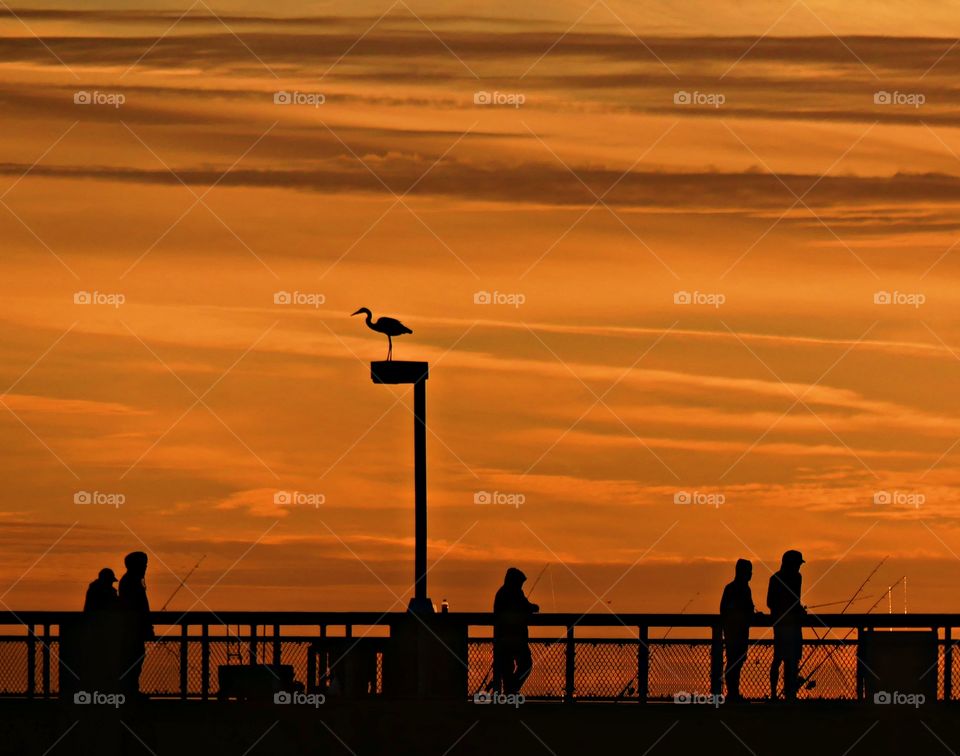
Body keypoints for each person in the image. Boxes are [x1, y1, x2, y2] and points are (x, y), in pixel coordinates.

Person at [493, 567, 539, 695]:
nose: (521, 585)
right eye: (520, 582)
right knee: (526, 664)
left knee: (506, 668)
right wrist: (534, 607)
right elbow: (527, 607)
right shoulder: (515, 593)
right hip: (515, 637)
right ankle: (512, 688)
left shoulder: (502, 593)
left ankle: (509, 690)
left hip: (501, 637)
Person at [767, 549, 806, 701]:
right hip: (789, 625)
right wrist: (798, 611)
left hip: (783, 625)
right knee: (789, 659)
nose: (799, 567)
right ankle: (788, 694)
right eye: (797, 564)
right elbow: (795, 601)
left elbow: (770, 602)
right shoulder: (796, 577)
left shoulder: (775, 578)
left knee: (782, 659)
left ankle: (776, 694)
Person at [720, 558, 759, 702]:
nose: (751, 574)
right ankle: (732, 693)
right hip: (735, 631)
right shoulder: (733, 588)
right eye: (749, 571)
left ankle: (733, 693)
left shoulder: (738, 588)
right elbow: (725, 610)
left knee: (737, 660)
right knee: (734, 660)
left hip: (739, 630)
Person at [118, 551, 155, 696]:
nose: (145, 567)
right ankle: (129, 690)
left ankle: (130, 689)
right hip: (132, 629)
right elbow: (138, 606)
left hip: (133, 629)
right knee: (133, 658)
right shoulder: (131, 581)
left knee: (135, 658)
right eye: (143, 564)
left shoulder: (130, 580)